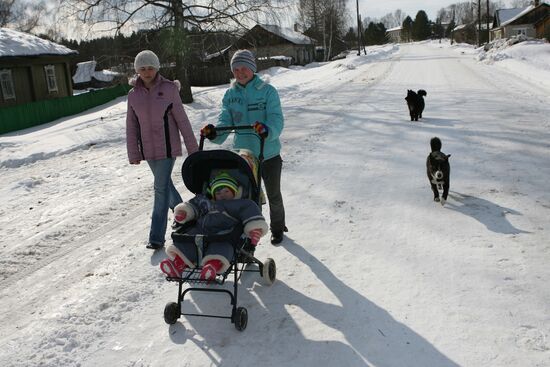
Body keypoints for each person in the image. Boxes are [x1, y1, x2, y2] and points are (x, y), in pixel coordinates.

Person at [200, 49, 287, 244]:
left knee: (273, 194)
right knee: (250, 197)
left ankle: (278, 227)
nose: (240, 73)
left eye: (244, 68)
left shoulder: (267, 91)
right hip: (244, 155)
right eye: (235, 69)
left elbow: (276, 118)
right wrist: (214, 133)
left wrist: (267, 130)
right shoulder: (230, 95)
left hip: (268, 153)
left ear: (252, 68)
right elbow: (225, 121)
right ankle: (253, 231)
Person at [126, 50, 199, 250]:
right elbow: (131, 126)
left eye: (150, 68)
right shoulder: (133, 96)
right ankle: (188, 217)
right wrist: (134, 152)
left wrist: (193, 149)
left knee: (160, 189)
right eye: (142, 69)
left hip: (168, 148)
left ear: (157, 68)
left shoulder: (169, 89)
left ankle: (156, 237)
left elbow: (182, 120)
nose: (147, 72)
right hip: (148, 151)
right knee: (166, 186)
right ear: (137, 71)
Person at [160, 172, 268, 281]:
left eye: (226, 191)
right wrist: (184, 212)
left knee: (221, 247)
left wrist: (255, 228)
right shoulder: (207, 202)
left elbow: (251, 212)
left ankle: (212, 266)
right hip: (201, 231)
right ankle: (177, 265)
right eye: (218, 192)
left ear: (234, 191)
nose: (222, 195)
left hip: (225, 234)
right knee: (186, 241)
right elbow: (193, 205)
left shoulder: (241, 203)